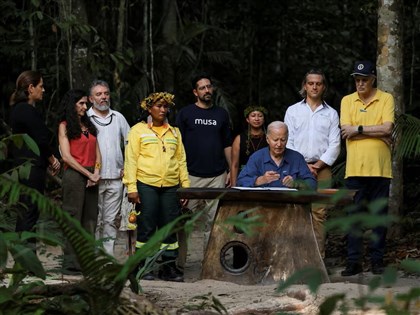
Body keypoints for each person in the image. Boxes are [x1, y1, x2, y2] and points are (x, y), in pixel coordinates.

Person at [123, 92, 189, 282]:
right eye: (159, 106)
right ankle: (144, 267)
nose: (163, 110)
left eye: (165, 107)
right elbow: (131, 160)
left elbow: (181, 160)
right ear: (149, 109)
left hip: (170, 186)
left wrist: (185, 186)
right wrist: (132, 188)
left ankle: (168, 268)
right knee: (147, 227)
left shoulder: (174, 132)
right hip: (146, 185)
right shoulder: (137, 130)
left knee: (170, 226)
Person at [340, 60, 394, 276]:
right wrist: (376, 131)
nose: (360, 84)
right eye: (357, 80)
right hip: (354, 169)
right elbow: (346, 130)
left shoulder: (386, 98)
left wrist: (359, 129)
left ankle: (377, 260)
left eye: (364, 80)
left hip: (380, 169)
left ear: (373, 80)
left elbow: (388, 128)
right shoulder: (347, 101)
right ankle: (353, 261)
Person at [175, 72, 232, 272]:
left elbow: (227, 144)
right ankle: (181, 264)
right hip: (190, 175)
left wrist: (231, 171)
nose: (207, 90)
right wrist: (179, 177)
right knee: (184, 222)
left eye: (209, 87)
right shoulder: (185, 114)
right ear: (195, 92)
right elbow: (177, 145)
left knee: (214, 223)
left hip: (217, 175)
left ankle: (211, 263)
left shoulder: (221, 114)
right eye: (202, 88)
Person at [284, 69, 341, 257]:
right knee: (296, 211)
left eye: (318, 83)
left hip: (322, 169)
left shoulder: (331, 114)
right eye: (311, 83)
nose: (314, 86)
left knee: (319, 213)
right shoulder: (293, 111)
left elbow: (335, 144)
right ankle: (296, 258)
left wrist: (316, 166)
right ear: (304, 86)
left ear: (323, 87)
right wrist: (304, 166)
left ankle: (318, 259)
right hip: (296, 168)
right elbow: (287, 140)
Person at [9, 70, 61, 251]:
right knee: (29, 211)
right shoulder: (26, 110)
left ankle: (21, 257)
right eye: (41, 86)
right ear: (31, 88)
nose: (43, 90)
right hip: (31, 168)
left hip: (24, 167)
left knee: (25, 211)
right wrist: (52, 159)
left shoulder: (18, 110)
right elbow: (41, 139)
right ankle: (26, 258)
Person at [58, 89, 101, 273]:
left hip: (92, 174)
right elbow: (66, 157)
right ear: (72, 105)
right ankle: (70, 263)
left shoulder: (89, 126)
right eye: (81, 103)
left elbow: (98, 151)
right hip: (75, 174)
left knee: (91, 218)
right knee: (73, 217)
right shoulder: (64, 125)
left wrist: (97, 172)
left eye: (86, 103)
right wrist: (88, 174)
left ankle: (87, 261)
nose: (85, 107)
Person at [86, 80, 130, 256]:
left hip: (116, 177)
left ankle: (108, 256)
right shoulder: (85, 117)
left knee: (110, 220)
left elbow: (131, 143)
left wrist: (127, 166)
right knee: (94, 220)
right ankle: (94, 256)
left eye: (106, 93)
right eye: (99, 94)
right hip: (93, 177)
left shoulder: (118, 117)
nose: (103, 97)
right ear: (90, 98)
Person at [237, 121, 316, 190]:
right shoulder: (257, 157)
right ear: (267, 139)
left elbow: (312, 184)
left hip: (291, 204)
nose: (279, 144)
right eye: (275, 140)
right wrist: (259, 180)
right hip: (263, 204)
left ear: (287, 139)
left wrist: (296, 183)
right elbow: (240, 181)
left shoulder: (297, 158)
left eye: (283, 140)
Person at [230, 105, 268, 187]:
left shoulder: (269, 138)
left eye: (260, 116)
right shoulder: (239, 138)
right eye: (253, 116)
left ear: (264, 119)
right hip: (244, 177)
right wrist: (233, 186)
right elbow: (234, 164)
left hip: (264, 177)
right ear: (247, 119)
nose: (257, 119)